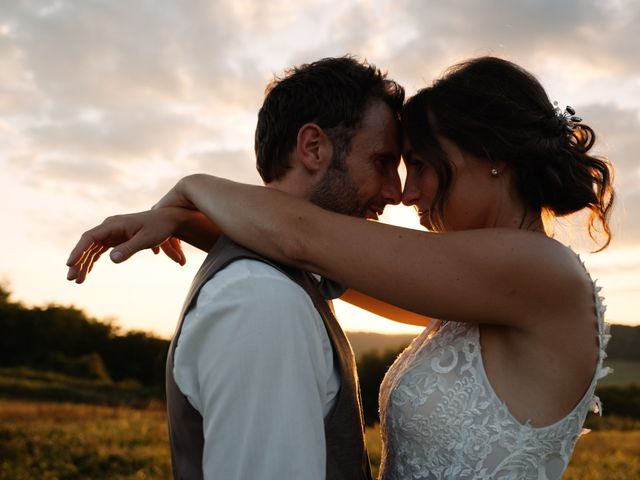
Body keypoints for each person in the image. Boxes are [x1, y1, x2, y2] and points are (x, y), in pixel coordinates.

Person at [68, 56, 615, 479]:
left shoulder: (536, 267)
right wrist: (192, 224)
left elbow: (306, 240)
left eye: (420, 164)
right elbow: (331, 265)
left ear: (492, 154)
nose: (405, 190)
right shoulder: (482, 289)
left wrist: (191, 188)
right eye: (393, 164)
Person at [68, 56, 408, 479]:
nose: (397, 191)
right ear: (313, 148)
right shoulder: (264, 299)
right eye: (382, 161)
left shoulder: (291, 276)